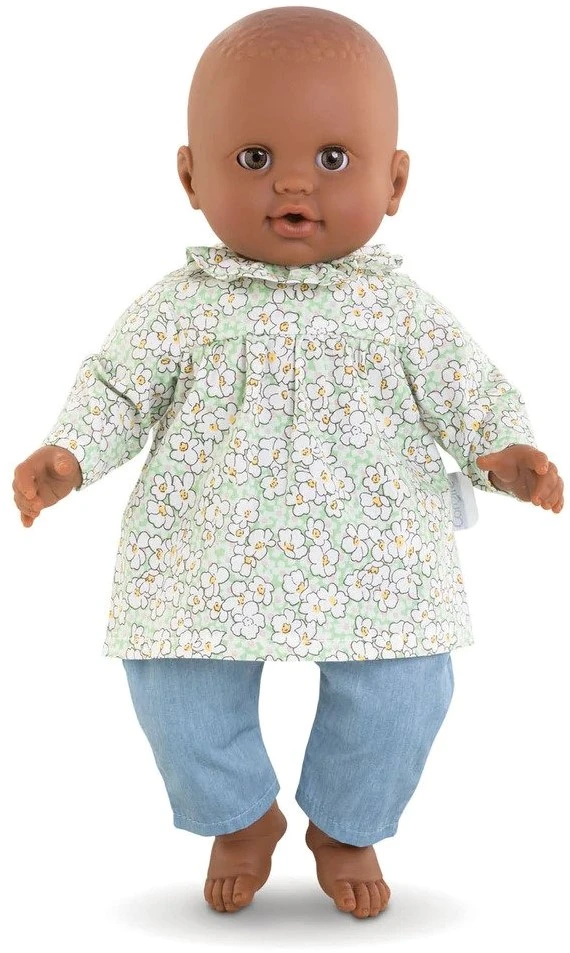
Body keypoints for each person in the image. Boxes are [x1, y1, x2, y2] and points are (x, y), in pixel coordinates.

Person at [12, 6, 564, 920]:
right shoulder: (181, 305)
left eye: (334, 158)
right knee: (173, 686)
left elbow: (464, 386)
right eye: (255, 157)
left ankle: (347, 823)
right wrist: (69, 454)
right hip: (205, 548)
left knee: (403, 691)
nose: (294, 183)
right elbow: (119, 387)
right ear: (191, 176)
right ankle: (240, 814)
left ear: (395, 181)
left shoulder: (398, 309)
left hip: (377, 553)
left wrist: (503, 454)